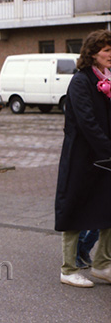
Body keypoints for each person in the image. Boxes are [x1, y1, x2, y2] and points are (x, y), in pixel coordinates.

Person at [55, 29, 111, 288]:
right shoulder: (80, 81)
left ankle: (102, 264)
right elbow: (87, 122)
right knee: (75, 210)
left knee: (109, 210)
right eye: (107, 50)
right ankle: (68, 269)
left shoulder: (108, 78)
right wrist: (108, 149)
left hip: (104, 157)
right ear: (92, 54)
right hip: (82, 157)